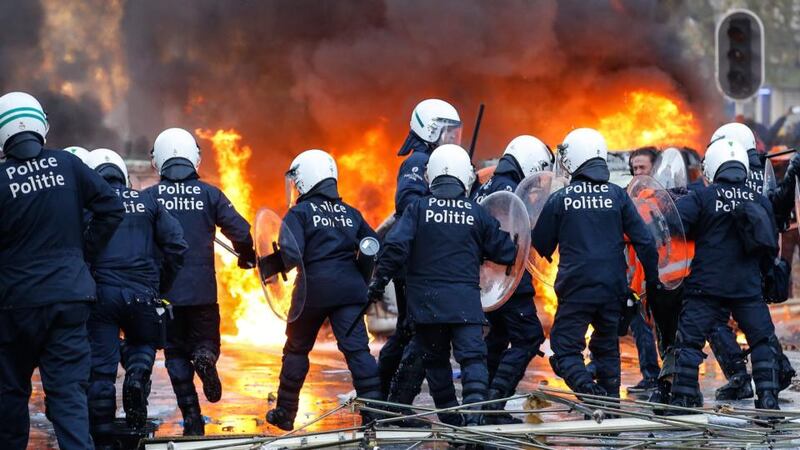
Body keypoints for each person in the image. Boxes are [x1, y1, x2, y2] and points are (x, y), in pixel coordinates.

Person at [0, 92, 125, 449]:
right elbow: (110, 207)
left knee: (10, 393)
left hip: (15, 306)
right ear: (41, 125)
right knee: (69, 396)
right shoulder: (67, 165)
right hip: (70, 297)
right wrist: (82, 252)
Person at [369, 144, 517, 426]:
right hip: (465, 305)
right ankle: (475, 419)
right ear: (465, 176)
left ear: (431, 175)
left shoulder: (417, 209)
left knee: (435, 362)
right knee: (473, 360)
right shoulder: (477, 213)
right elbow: (505, 252)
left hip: (426, 306)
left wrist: (378, 282)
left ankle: (451, 420)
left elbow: (395, 246)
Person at [532, 128, 659, 400]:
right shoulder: (618, 196)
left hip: (576, 288)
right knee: (607, 348)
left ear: (576, 158)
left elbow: (540, 244)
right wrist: (654, 280)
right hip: (613, 289)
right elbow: (645, 241)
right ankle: (610, 404)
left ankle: (589, 392)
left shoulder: (561, 199)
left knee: (565, 349)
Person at [144, 127, 256, 436]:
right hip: (204, 293)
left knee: (175, 355)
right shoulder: (210, 194)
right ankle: (206, 358)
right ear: (194, 157)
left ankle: (193, 420)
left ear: (158, 160)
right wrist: (246, 256)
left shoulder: (149, 198)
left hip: (165, 297)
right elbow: (242, 233)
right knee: (205, 343)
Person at [266, 149, 382, 431]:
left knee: (296, 350)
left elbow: (291, 254)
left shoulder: (300, 212)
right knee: (358, 352)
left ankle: (285, 413)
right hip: (350, 291)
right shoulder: (350, 213)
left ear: (304, 179)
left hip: (312, 292)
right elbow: (372, 245)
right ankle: (375, 414)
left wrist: (267, 265)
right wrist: (360, 279)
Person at [84, 149, 187, 447]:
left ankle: (102, 436)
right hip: (143, 293)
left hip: (101, 296)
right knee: (142, 343)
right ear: (123, 175)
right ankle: (137, 375)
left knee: (101, 370)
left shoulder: (89, 207)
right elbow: (177, 247)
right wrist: (161, 286)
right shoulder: (149, 201)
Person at [670, 137, 780, 411]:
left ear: (714, 166)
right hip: (747, 286)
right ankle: (767, 398)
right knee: (762, 340)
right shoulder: (759, 199)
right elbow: (770, 244)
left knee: (689, 342)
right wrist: (765, 279)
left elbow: (673, 224)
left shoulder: (703, 196)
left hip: (706, 286)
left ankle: (683, 398)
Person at [698, 123, 798, 402]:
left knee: (714, 319)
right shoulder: (761, 172)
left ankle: (740, 376)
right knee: (756, 323)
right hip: (760, 256)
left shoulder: (734, 173)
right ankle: (777, 370)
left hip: (732, 258)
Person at [378, 99, 462, 407]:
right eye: (448, 132)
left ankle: (381, 396)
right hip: (415, 260)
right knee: (416, 333)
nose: (454, 138)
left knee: (409, 332)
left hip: (426, 259)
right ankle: (393, 400)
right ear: (430, 130)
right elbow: (409, 204)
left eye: (457, 132)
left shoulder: (438, 160)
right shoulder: (418, 163)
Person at [471, 135, 548, 423]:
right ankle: (493, 405)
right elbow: (507, 236)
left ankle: (485, 405)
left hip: (489, 282)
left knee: (498, 338)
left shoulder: (487, 184)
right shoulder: (508, 189)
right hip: (507, 278)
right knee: (529, 337)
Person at [624, 147, 662, 393]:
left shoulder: (652, 200)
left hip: (655, 278)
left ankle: (654, 377)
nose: (637, 173)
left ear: (653, 170)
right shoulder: (630, 198)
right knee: (642, 328)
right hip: (638, 279)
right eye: (635, 168)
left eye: (642, 168)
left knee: (650, 329)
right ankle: (656, 376)